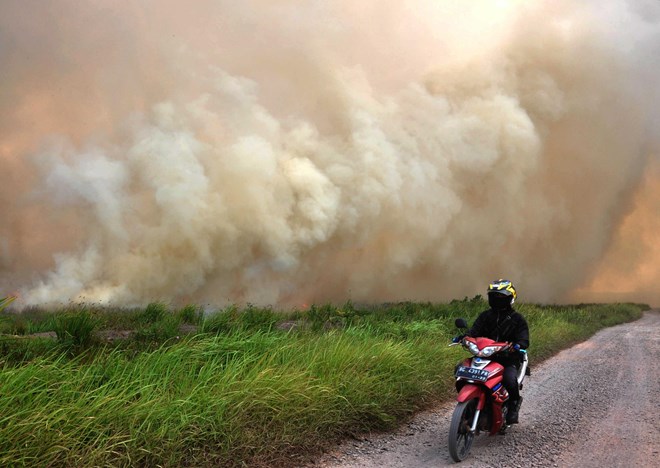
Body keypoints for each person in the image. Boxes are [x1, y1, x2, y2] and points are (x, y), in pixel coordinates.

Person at [467, 279, 529, 424]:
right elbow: (474, 331)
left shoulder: (517, 319)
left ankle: (514, 404)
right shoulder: (485, 316)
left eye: (501, 297)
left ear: (510, 298)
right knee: (463, 371)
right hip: (485, 356)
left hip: (507, 359)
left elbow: (524, 339)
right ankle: (471, 404)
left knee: (509, 379)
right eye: (494, 296)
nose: (497, 300)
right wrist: (465, 337)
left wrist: (517, 345)